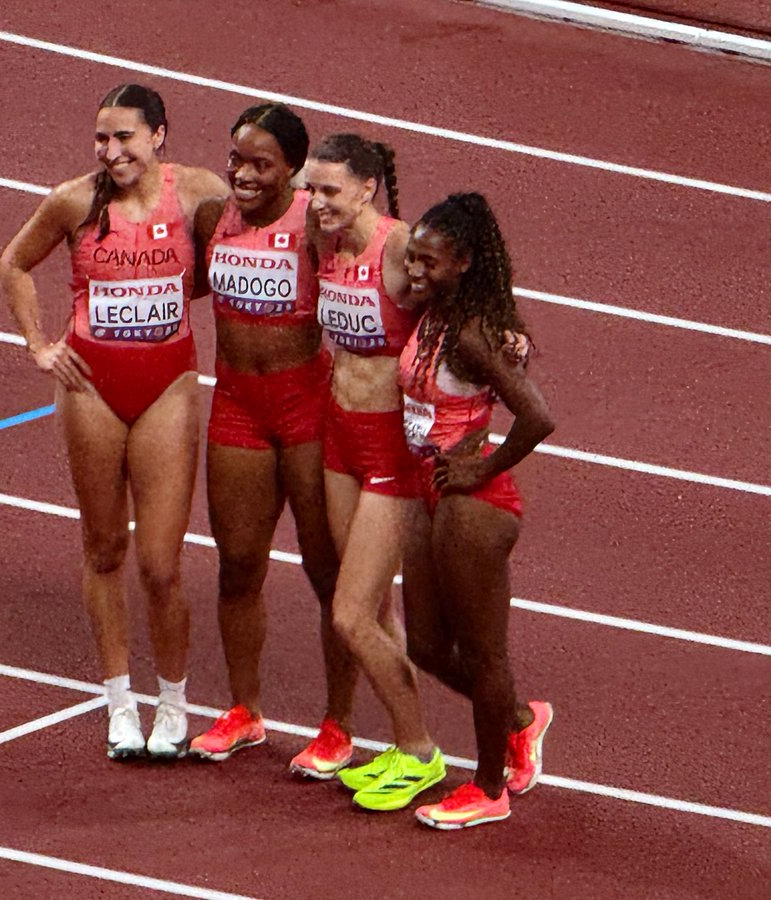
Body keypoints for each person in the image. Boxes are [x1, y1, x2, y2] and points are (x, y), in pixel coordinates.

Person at [0, 83, 229, 761]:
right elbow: (14, 263)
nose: (110, 150)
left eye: (124, 136)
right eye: (102, 138)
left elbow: (230, 259)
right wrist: (38, 345)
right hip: (91, 386)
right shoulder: (72, 201)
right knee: (103, 549)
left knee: (160, 564)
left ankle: (174, 703)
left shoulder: (198, 193)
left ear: (159, 135)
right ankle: (120, 702)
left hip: (168, 385)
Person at [186, 105, 355, 778]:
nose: (244, 175)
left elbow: (379, 271)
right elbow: (175, 283)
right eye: (237, 160)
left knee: (327, 572)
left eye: (261, 164)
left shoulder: (315, 223)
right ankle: (244, 710)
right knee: (237, 566)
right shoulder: (212, 219)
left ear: (293, 170)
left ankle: (338, 727)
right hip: (236, 406)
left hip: (306, 407)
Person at [396, 193, 555, 829]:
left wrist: (481, 468)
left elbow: (537, 417)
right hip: (428, 488)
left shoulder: (471, 334)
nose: (415, 270)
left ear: (462, 263)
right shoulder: (435, 311)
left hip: (473, 503)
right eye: (412, 258)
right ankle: (519, 718)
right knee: (426, 645)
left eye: (428, 262)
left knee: (485, 655)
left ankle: (490, 788)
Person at [302, 133, 446, 811]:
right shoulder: (325, 240)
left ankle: (420, 751)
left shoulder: (402, 247)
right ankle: (401, 740)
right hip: (339, 438)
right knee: (375, 608)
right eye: (312, 188)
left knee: (351, 615)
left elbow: (467, 302)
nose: (316, 201)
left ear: (368, 189)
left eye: (330, 190)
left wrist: (507, 337)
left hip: (392, 449)